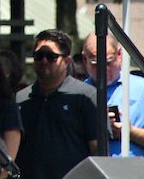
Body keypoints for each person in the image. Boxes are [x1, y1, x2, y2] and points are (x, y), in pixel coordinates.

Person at [15, 29, 98, 179]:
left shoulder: (86, 96)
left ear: (66, 61)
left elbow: (98, 150)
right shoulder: (20, 100)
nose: (44, 61)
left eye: (51, 57)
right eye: (39, 56)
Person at [82, 32, 144, 160]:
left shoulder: (143, 88)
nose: (103, 68)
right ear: (84, 59)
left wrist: (130, 132)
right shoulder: (79, 94)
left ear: (119, 54)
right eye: (95, 63)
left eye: (108, 61)